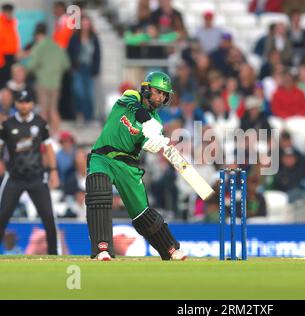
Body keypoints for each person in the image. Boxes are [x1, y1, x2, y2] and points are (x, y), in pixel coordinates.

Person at [86, 71, 186, 261]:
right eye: (158, 92)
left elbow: (144, 144)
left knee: (142, 215)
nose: (162, 97)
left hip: (128, 165)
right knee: (98, 191)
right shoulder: (132, 96)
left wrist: (152, 143)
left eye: (165, 94)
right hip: (103, 156)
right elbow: (132, 106)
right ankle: (102, 249)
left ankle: (170, 249)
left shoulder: (157, 123)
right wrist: (145, 121)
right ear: (147, 88)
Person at [0, 90, 59, 255]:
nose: (24, 105)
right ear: (16, 104)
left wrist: (53, 171)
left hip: (36, 177)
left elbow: (48, 148)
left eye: (27, 102)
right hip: (14, 178)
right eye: (21, 102)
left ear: (32, 104)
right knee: (2, 216)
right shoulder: (8, 125)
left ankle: (54, 254)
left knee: (48, 217)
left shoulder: (40, 123)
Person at [26, 23, 70, 133]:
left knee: (44, 111)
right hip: (56, 83)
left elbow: (31, 65)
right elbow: (66, 64)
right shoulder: (56, 46)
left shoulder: (39, 47)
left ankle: (43, 137)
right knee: (54, 111)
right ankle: (57, 134)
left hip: (42, 83)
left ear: (37, 35)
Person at [67, 15, 101, 123]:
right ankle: (79, 114)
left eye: (87, 22)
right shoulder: (75, 37)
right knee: (78, 92)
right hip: (78, 68)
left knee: (89, 94)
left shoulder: (94, 38)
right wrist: (71, 67)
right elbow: (69, 53)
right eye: (83, 22)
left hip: (89, 69)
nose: (85, 24)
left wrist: (96, 68)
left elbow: (97, 55)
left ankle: (88, 117)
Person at [0, 3, 20, 88]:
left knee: (11, 81)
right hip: (3, 57)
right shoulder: (1, 24)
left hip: (12, 56)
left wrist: (17, 52)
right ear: (3, 12)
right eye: (6, 12)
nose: (8, 14)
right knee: (3, 82)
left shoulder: (12, 23)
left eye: (10, 12)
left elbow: (15, 40)